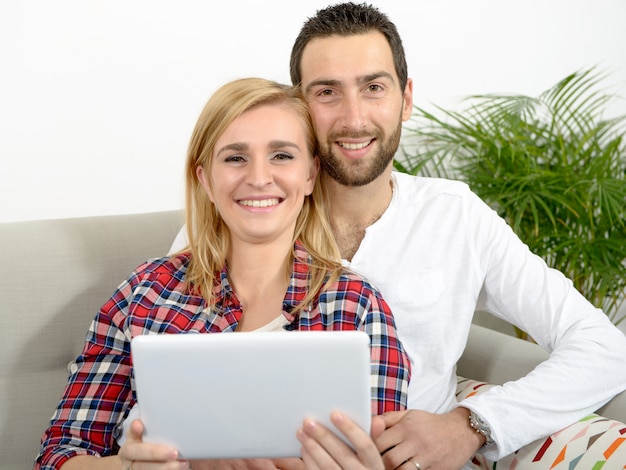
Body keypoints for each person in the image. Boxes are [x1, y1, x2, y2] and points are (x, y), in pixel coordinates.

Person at [165, 3, 626, 469]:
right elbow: (171, 367)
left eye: (374, 88)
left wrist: (471, 424)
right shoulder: (243, 213)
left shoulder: (456, 216)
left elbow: (604, 347)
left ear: (405, 99)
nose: (353, 117)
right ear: (300, 106)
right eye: (327, 91)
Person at [34, 77, 411, 469]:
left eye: (282, 156)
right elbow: (59, 455)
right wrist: (129, 468)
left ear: (311, 175)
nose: (259, 177)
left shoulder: (357, 306)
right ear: (205, 180)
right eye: (235, 158)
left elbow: (383, 456)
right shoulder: (145, 293)